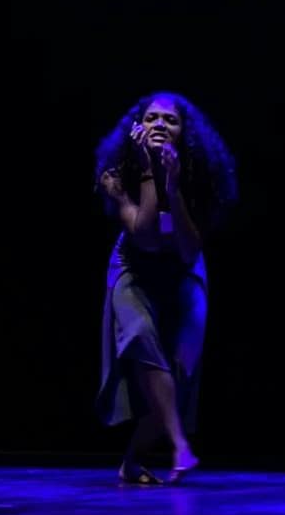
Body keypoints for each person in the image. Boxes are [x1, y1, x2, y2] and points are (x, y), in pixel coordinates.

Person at [94, 91, 237, 485]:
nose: (159, 124)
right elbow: (145, 239)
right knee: (140, 335)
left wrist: (172, 187)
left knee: (180, 367)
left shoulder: (201, 173)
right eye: (152, 118)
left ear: (184, 132)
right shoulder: (118, 170)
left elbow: (189, 250)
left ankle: (132, 461)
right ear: (138, 126)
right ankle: (180, 447)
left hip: (184, 268)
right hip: (134, 267)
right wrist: (147, 171)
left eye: (170, 120)